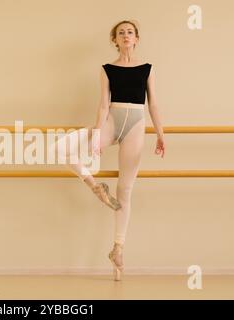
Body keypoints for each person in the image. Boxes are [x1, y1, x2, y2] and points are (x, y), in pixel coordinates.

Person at [53, 20, 165, 281]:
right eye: (120, 33)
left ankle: (118, 248)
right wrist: (96, 133)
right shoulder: (106, 69)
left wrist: (160, 133)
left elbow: (154, 105)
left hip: (136, 125)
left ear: (137, 38)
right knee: (61, 148)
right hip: (112, 122)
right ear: (115, 40)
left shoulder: (148, 69)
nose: (126, 36)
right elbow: (103, 104)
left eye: (130, 32)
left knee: (125, 189)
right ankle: (94, 185)